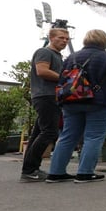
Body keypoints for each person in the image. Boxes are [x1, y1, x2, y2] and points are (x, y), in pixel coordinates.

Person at [46, 29, 106, 183]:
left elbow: (63, 77)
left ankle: (56, 172)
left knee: (67, 136)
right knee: (93, 137)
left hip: (71, 100)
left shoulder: (72, 57)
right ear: (104, 41)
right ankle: (85, 173)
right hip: (98, 101)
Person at [20, 27, 69, 182]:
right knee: (50, 132)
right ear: (51, 37)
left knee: (38, 133)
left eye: (67, 39)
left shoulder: (56, 55)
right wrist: (65, 79)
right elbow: (42, 71)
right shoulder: (44, 52)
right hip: (45, 96)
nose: (64, 41)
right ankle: (29, 169)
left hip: (47, 96)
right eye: (61, 38)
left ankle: (29, 169)